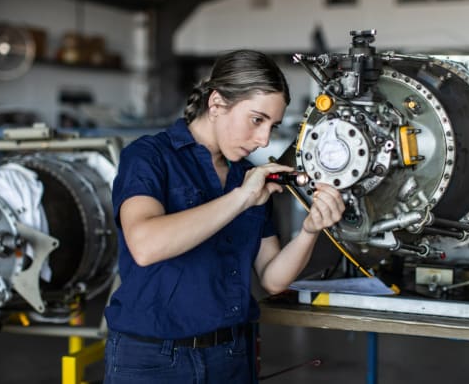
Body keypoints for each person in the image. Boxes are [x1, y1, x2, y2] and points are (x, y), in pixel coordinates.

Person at [103, 49, 345, 384]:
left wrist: (309, 230)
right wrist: (241, 198)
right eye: (256, 120)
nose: (263, 140)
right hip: (153, 359)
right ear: (216, 104)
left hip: (231, 357)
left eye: (272, 127)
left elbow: (273, 278)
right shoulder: (149, 157)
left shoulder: (248, 177)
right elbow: (145, 245)